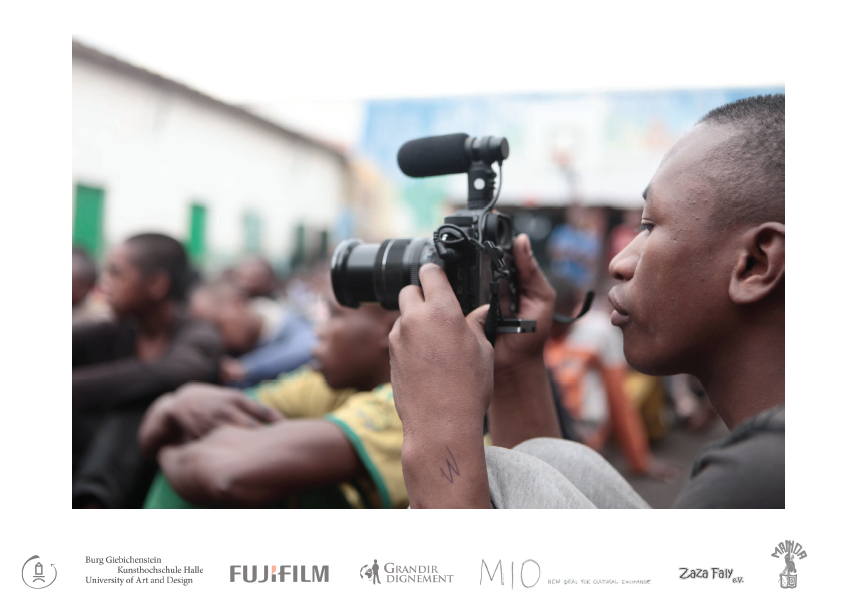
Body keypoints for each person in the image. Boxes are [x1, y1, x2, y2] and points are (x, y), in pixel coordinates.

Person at [388, 94, 785, 508]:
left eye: (650, 226)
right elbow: (540, 485)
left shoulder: (760, 479)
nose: (618, 262)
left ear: (755, 263)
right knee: (558, 460)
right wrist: (516, 365)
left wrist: (439, 425)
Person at [139, 294, 406, 508]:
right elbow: (205, 414)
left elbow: (229, 476)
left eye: (335, 316)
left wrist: (166, 449)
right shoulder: (331, 385)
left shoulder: (407, 408)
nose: (317, 331)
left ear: (390, 328)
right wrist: (176, 403)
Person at [73, 233, 221, 507]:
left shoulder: (198, 337)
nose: (105, 283)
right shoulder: (114, 332)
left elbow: (169, 373)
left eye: (116, 273)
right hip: (93, 463)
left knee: (140, 401)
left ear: (156, 284)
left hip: (160, 474)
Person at [189, 281, 316, 387]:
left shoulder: (289, 323)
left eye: (218, 326)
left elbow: (310, 346)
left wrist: (246, 368)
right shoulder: (228, 354)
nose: (217, 338)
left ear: (237, 303)